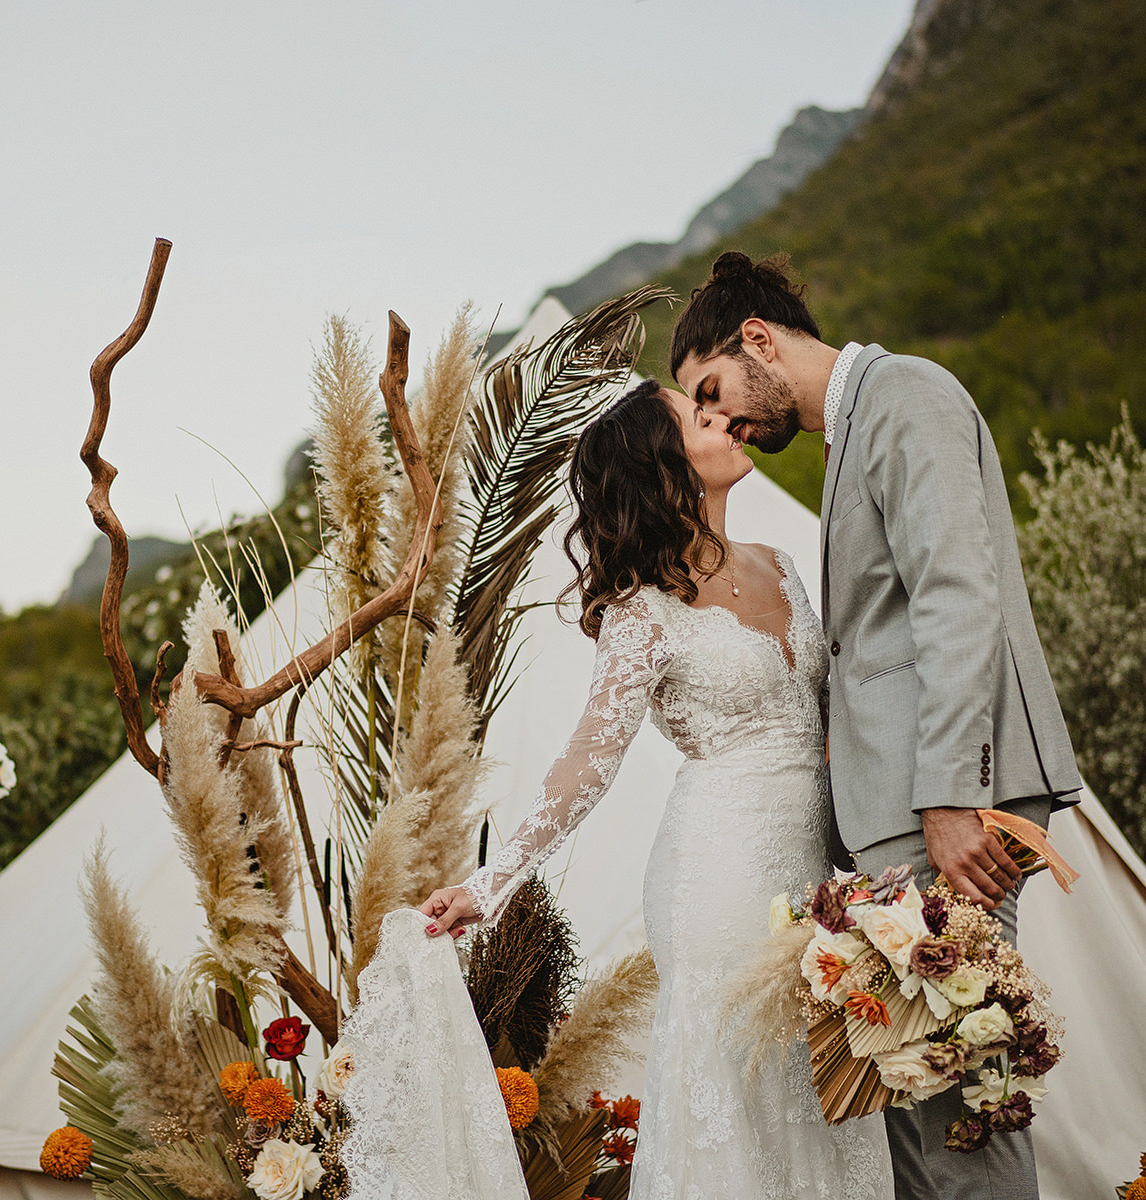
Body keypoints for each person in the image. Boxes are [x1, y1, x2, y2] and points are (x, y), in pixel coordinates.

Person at [670, 250, 1082, 1200]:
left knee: (963, 1115)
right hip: (903, 816)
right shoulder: (851, 432)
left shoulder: (906, 395)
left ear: (760, 339)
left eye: (715, 389)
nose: (723, 419)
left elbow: (957, 597)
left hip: (949, 808)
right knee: (920, 1107)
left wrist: (948, 794)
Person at [416, 378, 891, 1200]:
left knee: (824, 1092)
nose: (723, 416)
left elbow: (831, 720)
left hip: (814, 873)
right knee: (739, 1097)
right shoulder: (642, 611)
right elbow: (586, 760)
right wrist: (491, 881)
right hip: (719, 874)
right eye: (694, 416)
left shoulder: (782, 566)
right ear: (661, 464)